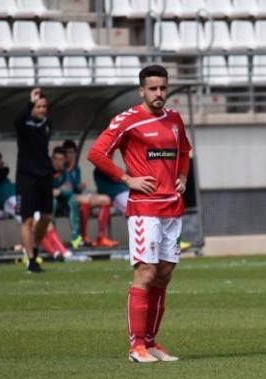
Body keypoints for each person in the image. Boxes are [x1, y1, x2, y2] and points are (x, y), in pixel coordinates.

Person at [88, 64, 192, 363]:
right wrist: (126, 179)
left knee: (164, 274)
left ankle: (151, 342)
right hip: (145, 208)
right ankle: (136, 347)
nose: (159, 93)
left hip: (172, 206)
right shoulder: (128, 120)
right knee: (145, 272)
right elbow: (96, 153)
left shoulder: (174, 119)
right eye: (153, 88)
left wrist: (182, 177)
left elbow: (184, 151)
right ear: (141, 90)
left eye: (163, 87)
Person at [14, 87, 53, 273]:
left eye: (44, 106)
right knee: (27, 220)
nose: (42, 109)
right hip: (26, 177)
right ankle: (30, 259)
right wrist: (29, 102)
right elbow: (17, 121)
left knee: (46, 217)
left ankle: (34, 248)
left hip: (45, 176)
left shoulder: (47, 123)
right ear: (32, 108)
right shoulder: (24, 123)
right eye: (38, 106)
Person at [62, 139, 118, 247]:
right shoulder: (61, 168)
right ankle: (83, 236)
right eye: (67, 152)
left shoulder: (76, 168)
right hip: (67, 200)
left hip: (79, 196)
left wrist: (79, 187)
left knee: (105, 200)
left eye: (72, 152)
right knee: (86, 201)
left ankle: (100, 237)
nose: (69, 155)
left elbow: (75, 188)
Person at [51, 146, 83, 248]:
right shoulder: (45, 172)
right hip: (47, 205)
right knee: (52, 202)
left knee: (72, 200)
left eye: (60, 160)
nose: (57, 162)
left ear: (64, 161)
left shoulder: (65, 172)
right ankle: (53, 239)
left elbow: (69, 191)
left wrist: (59, 191)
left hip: (63, 204)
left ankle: (76, 238)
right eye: (55, 159)